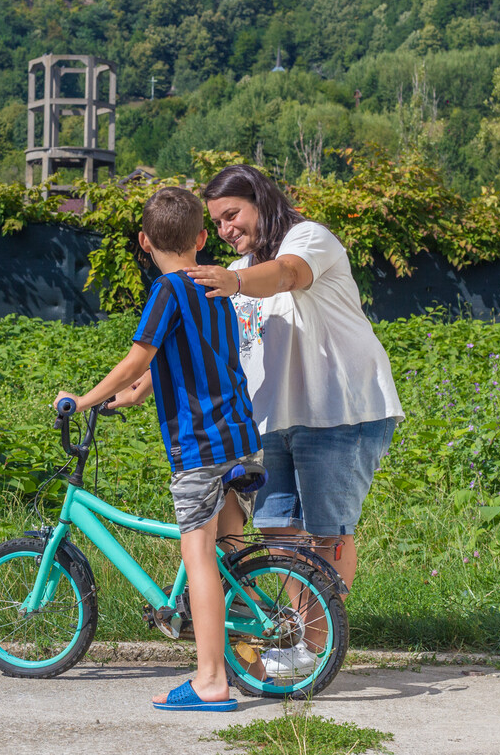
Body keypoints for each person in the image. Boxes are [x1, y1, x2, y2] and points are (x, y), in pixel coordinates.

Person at [184, 163, 405, 678]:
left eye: (232, 214)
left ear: (260, 200)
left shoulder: (309, 239)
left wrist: (235, 279)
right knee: (280, 533)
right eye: (216, 222)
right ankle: (302, 642)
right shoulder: (241, 269)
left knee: (326, 533)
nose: (225, 229)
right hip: (277, 419)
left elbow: (286, 275)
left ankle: (316, 647)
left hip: (340, 411)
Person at [55, 186, 261, 712]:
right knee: (230, 555)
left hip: (200, 447)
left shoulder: (167, 292)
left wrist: (85, 400)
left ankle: (210, 680)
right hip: (240, 439)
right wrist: (134, 396)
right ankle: (251, 659)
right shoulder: (217, 291)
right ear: (200, 237)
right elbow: (196, 357)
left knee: (201, 566)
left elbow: (138, 356)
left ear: (144, 242)